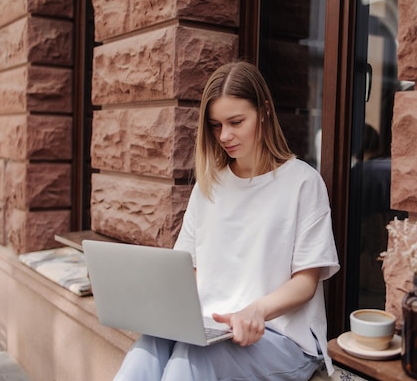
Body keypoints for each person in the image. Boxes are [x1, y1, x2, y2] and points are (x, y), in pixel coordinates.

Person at [113, 61, 340, 381]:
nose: (225, 135)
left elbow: (306, 282)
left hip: (281, 337)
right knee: (146, 352)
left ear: (263, 111)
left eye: (236, 122)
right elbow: (188, 272)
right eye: (216, 125)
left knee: (187, 362)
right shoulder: (209, 186)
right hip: (209, 329)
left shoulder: (303, 183)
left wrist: (256, 311)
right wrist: (149, 305)